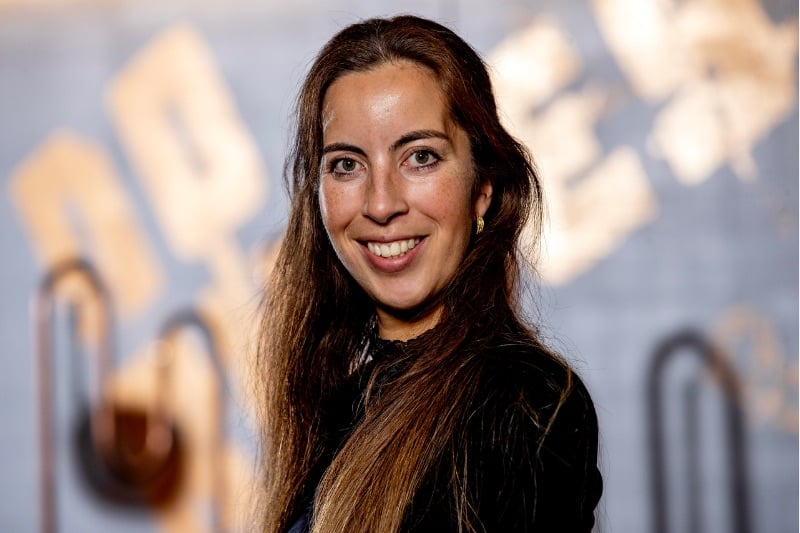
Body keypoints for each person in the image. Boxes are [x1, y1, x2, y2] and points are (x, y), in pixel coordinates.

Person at [253, 14, 602, 533]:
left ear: (482, 189)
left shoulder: (526, 404)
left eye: (420, 157)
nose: (381, 204)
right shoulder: (333, 407)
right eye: (347, 164)